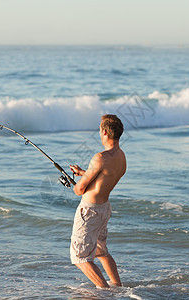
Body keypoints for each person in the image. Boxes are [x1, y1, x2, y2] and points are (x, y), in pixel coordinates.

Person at [69, 114, 126, 288]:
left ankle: (104, 290)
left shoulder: (100, 157)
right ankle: (117, 286)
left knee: (79, 257)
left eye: (100, 131)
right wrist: (84, 173)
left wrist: (76, 185)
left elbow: (79, 190)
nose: (100, 134)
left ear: (106, 133)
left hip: (90, 211)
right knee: (101, 251)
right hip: (104, 209)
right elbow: (105, 177)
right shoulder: (121, 156)